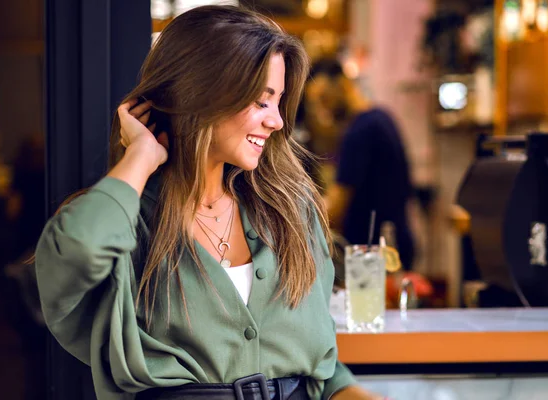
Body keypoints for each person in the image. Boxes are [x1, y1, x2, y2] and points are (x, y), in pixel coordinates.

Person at [35, 6, 387, 400]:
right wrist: (141, 156)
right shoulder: (128, 220)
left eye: (279, 102)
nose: (277, 122)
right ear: (202, 95)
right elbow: (77, 252)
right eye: (260, 101)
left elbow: (322, 367)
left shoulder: (291, 210)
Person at [309, 59, 415, 272]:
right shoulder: (382, 118)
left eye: (325, 99)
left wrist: (299, 218)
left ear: (344, 85)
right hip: (393, 243)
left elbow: (337, 205)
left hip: (375, 254)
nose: (324, 110)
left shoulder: (360, 131)